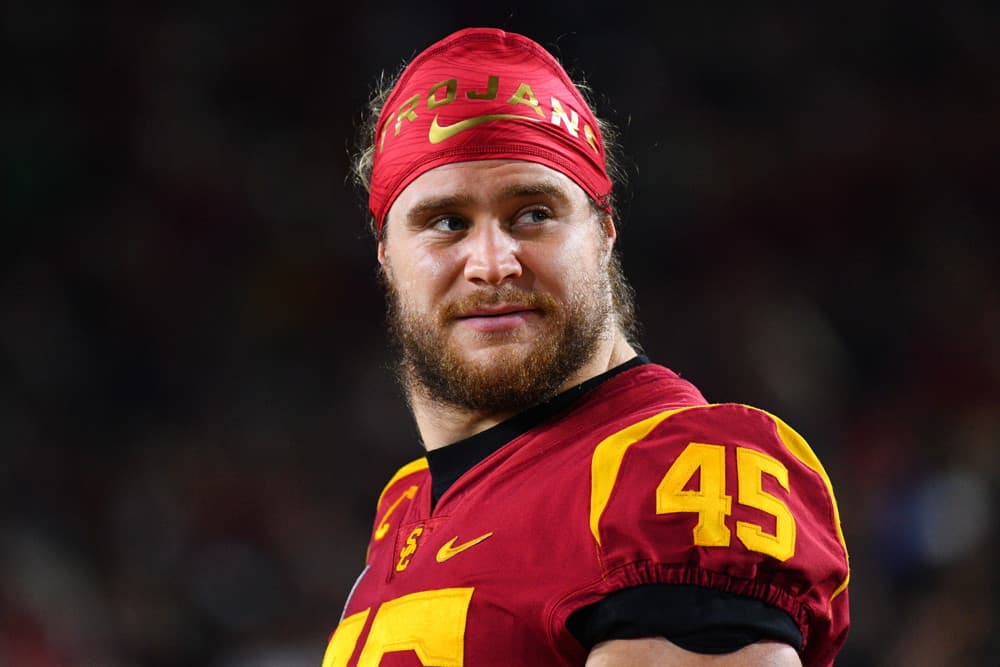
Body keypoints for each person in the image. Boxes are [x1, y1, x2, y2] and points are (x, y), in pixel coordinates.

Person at [322, 26, 849, 667]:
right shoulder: (405, 507)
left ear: (603, 232)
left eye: (534, 213)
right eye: (446, 222)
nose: (492, 263)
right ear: (385, 256)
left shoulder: (679, 471)